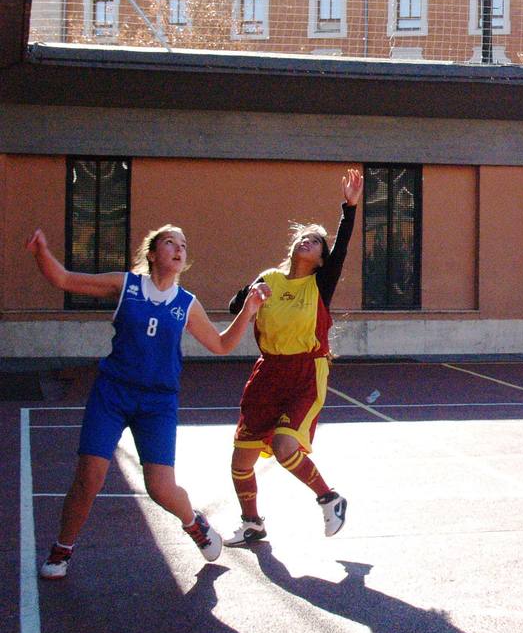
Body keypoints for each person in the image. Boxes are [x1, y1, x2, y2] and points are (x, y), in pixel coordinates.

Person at [27, 224, 268, 580]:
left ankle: (194, 523)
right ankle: (62, 548)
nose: (179, 248)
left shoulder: (186, 303)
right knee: (89, 476)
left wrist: (247, 312)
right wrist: (41, 252)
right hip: (113, 393)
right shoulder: (125, 285)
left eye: (184, 245)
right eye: (171, 242)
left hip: (157, 403)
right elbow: (63, 279)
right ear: (153, 253)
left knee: (159, 487)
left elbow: (220, 345)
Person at [223, 167, 362, 547]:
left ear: (321, 258)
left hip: (305, 372)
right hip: (268, 373)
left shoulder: (319, 284)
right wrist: (245, 299)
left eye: (315, 242)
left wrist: (348, 209)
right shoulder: (269, 278)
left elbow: (343, 248)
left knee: (286, 447)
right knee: (241, 462)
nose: (307, 241)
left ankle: (329, 498)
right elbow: (237, 306)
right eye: (303, 237)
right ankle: (252, 524)